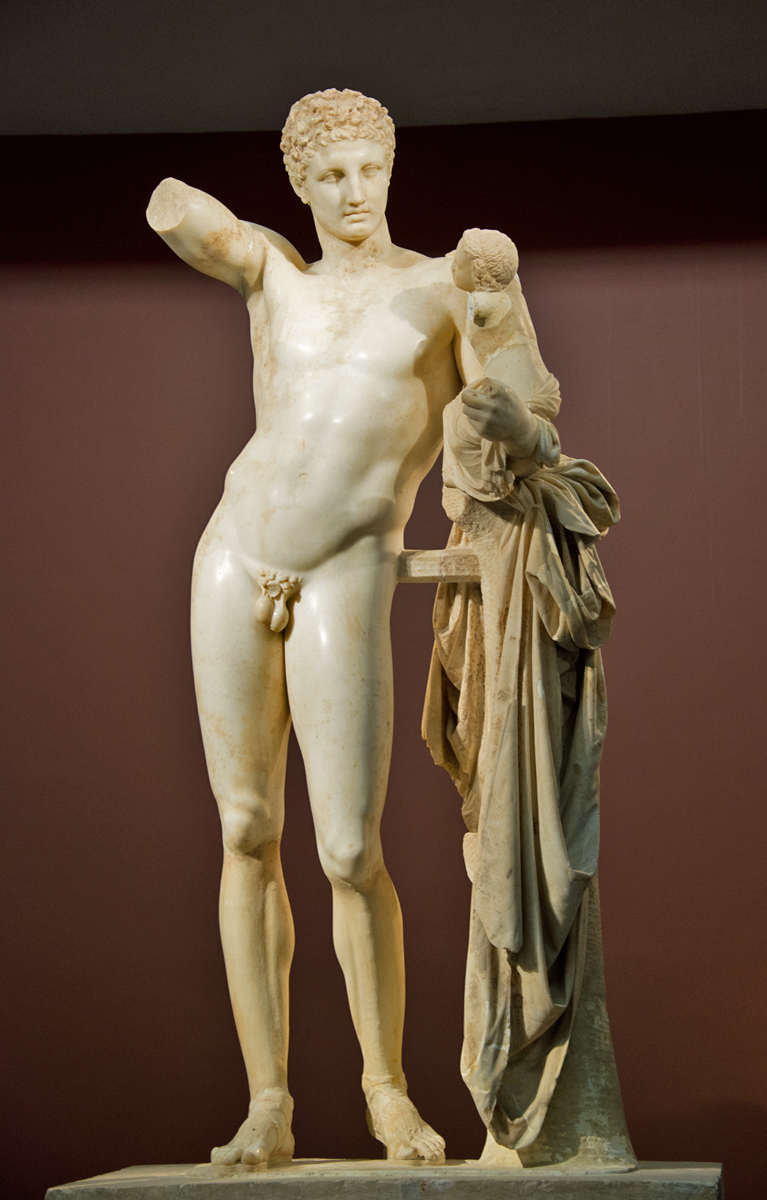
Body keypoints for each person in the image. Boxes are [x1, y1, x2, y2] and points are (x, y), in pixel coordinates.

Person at [146, 88, 537, 1168]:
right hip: (234, 551)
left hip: (350, 562)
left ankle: (384, 1091)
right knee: (243, 829)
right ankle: (267, 1102)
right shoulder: (276, 273)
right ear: (298, 185)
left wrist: (497, 303)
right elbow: (178, 213)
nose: (352, 192)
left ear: (391, 170)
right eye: (328, 175)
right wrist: (206, 219)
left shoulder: (440, 286)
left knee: (350, 847)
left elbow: (520, 404)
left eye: (368, 169)